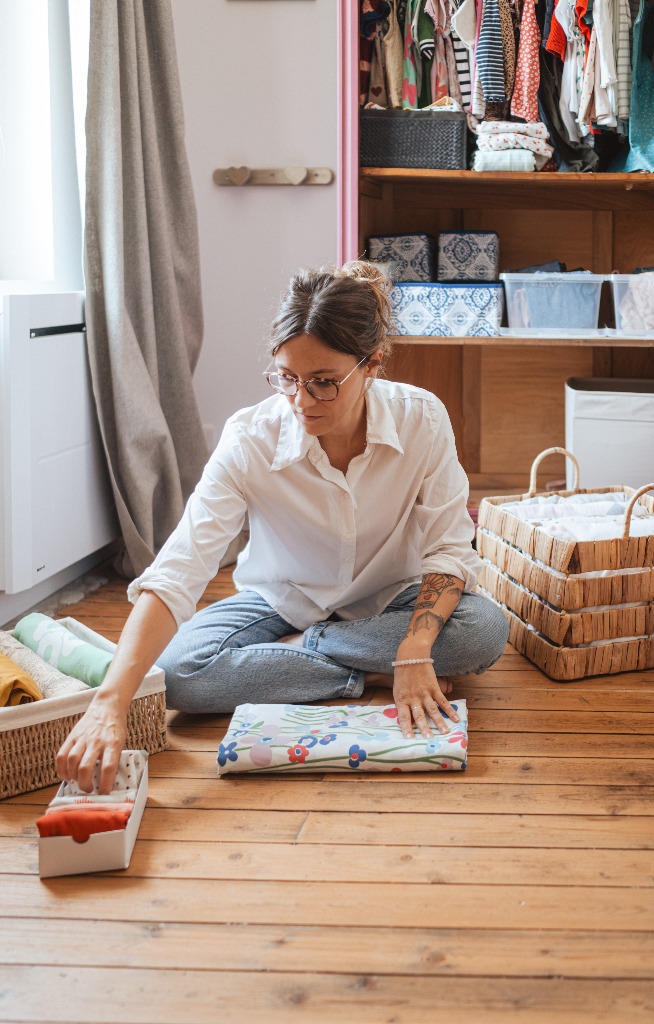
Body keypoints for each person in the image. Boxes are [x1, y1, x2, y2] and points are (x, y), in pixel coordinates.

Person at [56, 261, 509, 793]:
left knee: (483, 630)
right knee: (178, 673)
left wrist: (412, 648)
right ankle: (362, 670)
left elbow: (450, 550)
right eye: (287, 378)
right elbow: (181, 567)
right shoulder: (251, 437)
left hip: (394, 601)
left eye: (323, 383)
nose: (299, 400)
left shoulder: (422, 419)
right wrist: (110, 702)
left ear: (372, 365)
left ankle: (310, 654)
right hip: (279, 601)